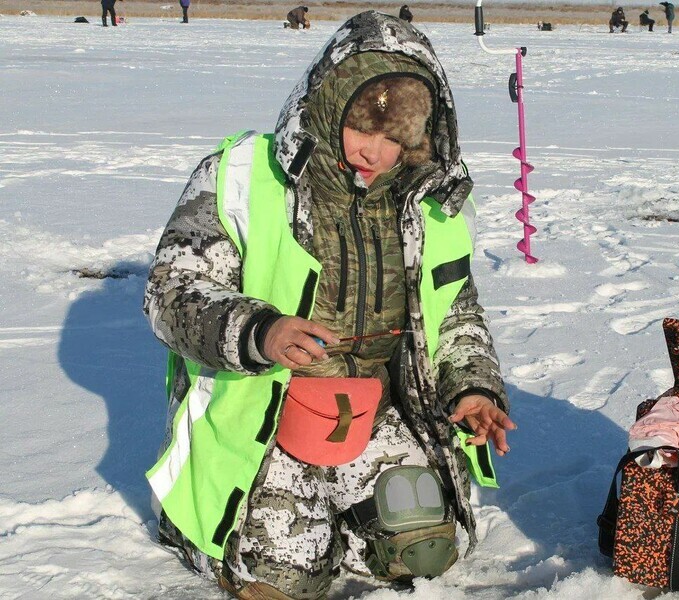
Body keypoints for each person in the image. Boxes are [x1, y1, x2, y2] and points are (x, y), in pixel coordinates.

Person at [144, 10, 514, 600]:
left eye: (396, 139)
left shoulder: (429, 206)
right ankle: (218, 526)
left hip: (370, 407)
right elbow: (170, 292)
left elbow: (456, 313)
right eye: (363, 128)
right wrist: (259, 332)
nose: (375, 151)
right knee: (283, 577)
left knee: (420, 550)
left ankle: (339, 507)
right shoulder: (244, 175)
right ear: (327, 107)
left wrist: (472, 388)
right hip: (261, 410)